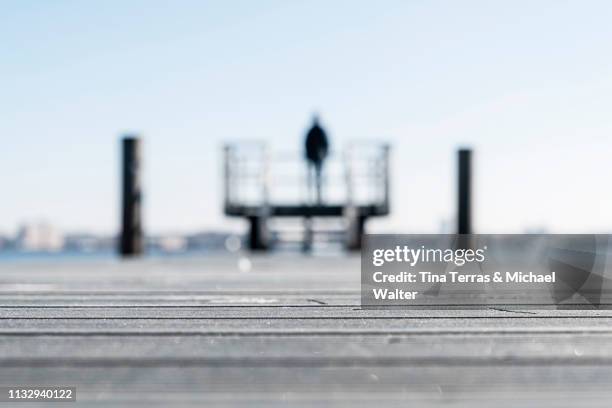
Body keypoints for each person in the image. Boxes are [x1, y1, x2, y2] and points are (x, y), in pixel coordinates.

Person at [304, 115, 329, 205]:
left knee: (318, 180)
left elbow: (325, 145)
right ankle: (313, 199)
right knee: (314, 180)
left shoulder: (315, 131)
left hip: (317, 158)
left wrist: (323, 154)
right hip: (314, 158)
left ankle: (317, 199)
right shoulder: (317, 132)